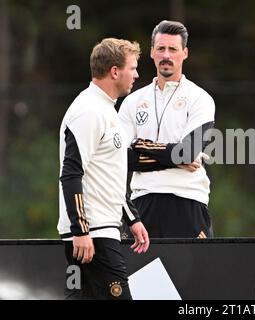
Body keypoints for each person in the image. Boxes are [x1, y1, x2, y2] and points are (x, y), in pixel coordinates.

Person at [58, 38, 149, 300]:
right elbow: (71, 174)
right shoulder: (88, 110)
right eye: (132, 67)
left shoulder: (106, 110)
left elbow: (107, 173)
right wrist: (81, 230)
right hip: (93, 236)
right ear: (114, 71)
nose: (136, 74)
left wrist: (132, 217)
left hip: (99, 231)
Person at [118, 20, 215, 239]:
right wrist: (175, 157)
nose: (166, 55)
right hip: (142, 204)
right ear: (152, 52)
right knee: (136, 275)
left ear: (185, 53)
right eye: (161, 49)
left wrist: (140, 145)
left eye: (173, 49)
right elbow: (120, 158)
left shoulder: (201, 99)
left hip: (188, 202)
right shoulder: (132, 102)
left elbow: (187, 153)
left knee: (194, 275)